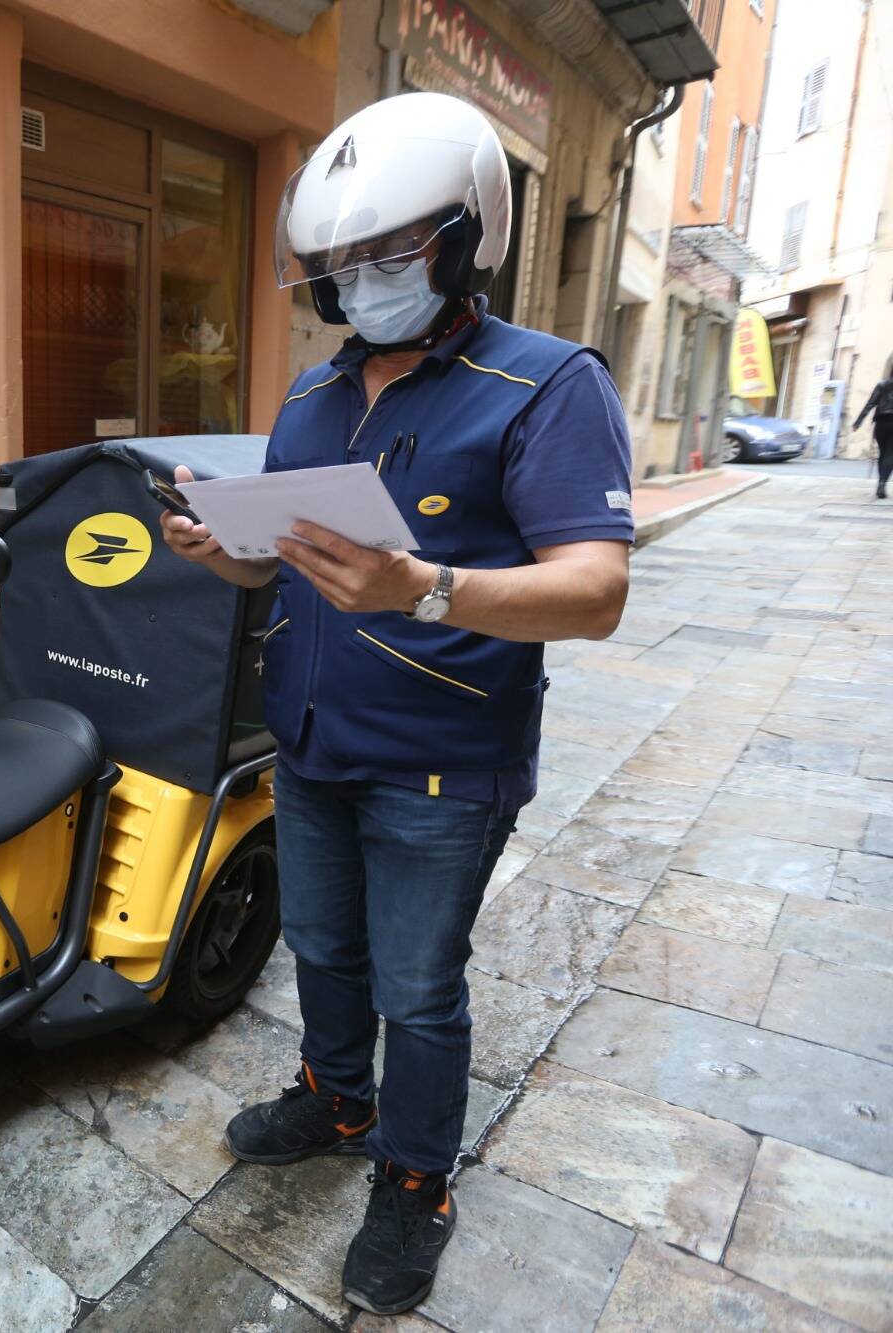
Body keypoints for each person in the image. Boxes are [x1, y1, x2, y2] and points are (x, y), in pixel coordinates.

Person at [159, 91, 632, 1316]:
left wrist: (422, 588)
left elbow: (592, 590)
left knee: (418, 985)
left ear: (467, 236)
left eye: (388, 251)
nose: (357, 281)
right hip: (309, 741)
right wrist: (233, 552)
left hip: (439, 760)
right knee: (320, 944)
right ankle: (335, 1095)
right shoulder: (314, 398)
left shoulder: (543, 384)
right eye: (337, 264)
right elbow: (294, 556)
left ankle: (415, 1177)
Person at [852, 368, 893, 498]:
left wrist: (858, 422)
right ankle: (882, 483)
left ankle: (880, 483)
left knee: (883, 453)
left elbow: (870, 404)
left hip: (881, 423)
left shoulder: (881, 385)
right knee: (890, 454)